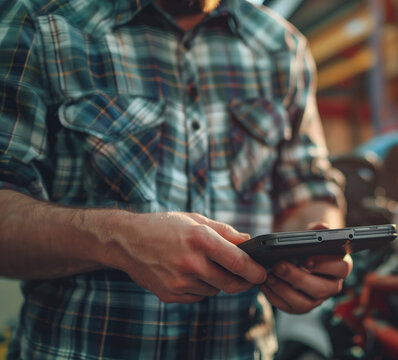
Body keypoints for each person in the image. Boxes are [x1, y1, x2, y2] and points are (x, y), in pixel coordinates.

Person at [0, 0, 351, 358]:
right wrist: (117, 240)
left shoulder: (282, 46)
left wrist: (310, 251)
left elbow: (308, 188)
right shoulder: (44, 24)